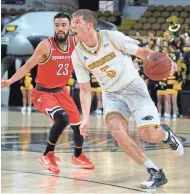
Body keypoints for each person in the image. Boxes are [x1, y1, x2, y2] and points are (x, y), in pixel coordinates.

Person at [70, 9, 184, 189]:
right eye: (72, 22)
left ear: (89, 25)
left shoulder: (112, 37)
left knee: (149, 135)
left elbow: (142, 52)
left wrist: (165, 61)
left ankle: (166, 134)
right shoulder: (76, 55)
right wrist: (85, 117)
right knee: (117, 131)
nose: (72, 26)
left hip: (133, 88)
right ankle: (155, 171)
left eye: (76, 22)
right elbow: (85, 89)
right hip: (111, 94)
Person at [1, 12, 94, 174]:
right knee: (62, 118)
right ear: (54, 27)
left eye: (64, 25)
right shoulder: (45, 45)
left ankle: (78, 155)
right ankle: (47, 154)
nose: (60, 28)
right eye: (57, 25)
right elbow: (27, 67)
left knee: (79, 127)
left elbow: (92, 37)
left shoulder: (75, 41)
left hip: (62, 92)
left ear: (70, 27)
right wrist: (10, 81)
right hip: (43, 93)